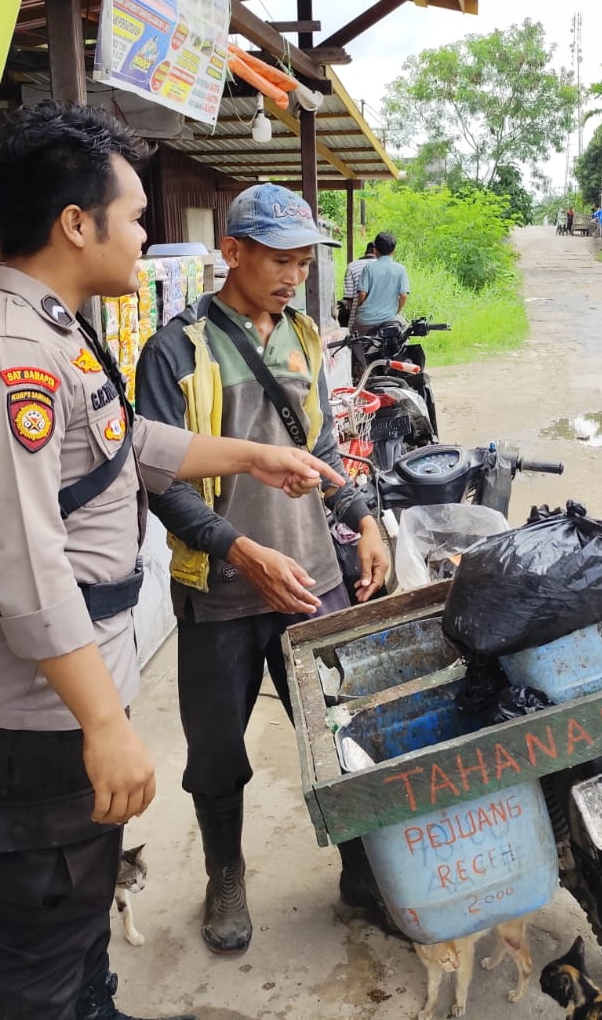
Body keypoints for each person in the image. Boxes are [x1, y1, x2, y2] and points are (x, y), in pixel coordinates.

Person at [0, 103, 339, 1020]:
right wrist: (106, 724)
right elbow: (27, 573)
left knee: (80, 909)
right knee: (44, 928)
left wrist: (255, 453)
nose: (149, 233)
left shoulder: (56, 331)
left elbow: (132, 442)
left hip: (70, 696)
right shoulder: (8, 359)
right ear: (77, 224)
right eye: (138, 214)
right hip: (41, 714)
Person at [134, 182, 393, 956]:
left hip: (313, 579)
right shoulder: (175, 349)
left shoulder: (306, 337)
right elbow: (161, 480)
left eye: (302, 262)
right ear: (234, 254)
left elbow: (314, 449)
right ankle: (225, 875)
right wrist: (241, 551)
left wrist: (363, 518)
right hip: (219, 594)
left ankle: (360, 867)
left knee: (341, 733)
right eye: (277, 259)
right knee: (217, 754)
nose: (291, 276)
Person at [353, 230, 409, 334]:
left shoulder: (368, 268)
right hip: (390, 320)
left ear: (375, 250)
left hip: (365, 322)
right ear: (393, 251)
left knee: (356, 342)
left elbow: (362, 294)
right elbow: (404, 296)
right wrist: (397, 312)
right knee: (404, 337)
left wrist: (360, 308)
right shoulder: (401, 269)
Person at [339, 241, 376, 327]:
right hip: (380, 320)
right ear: (376, 251)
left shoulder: (352, 266)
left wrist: (355, 312)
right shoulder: (383, 266)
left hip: (357, 322)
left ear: (366, 252)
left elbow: (349, 298)